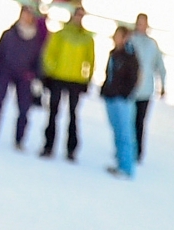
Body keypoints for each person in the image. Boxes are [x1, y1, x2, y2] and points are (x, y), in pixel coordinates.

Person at [0, 4, 46, 149]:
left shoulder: (36, 38)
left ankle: (19, 140)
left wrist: (37, 76)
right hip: (5, 72)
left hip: (24, 76)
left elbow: (38, 59)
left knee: (24, 109)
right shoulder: (10, 34)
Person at [37, 3, 95, 161]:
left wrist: (87, 79)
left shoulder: (87, 38)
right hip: (58, 77)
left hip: (76, 80)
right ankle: (48, 146)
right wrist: (49, 72)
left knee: (73, 115)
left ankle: (71, 149)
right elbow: (49, 53)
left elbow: (90, 60)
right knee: (53, 112)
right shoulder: (60, 34)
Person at [99, 24, 140, 179]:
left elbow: (133, 78)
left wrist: (124, 93)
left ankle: (126, 167)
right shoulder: (114, 54)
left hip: (122, 99)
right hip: (111, 97)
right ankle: (119, 162)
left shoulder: (130, 56)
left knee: (125, 133)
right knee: (117, 130)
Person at [128, 13, 166, 160]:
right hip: (130, 88)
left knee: (140, 121)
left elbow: (160, 66)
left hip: (145, 90)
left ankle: (138, 151)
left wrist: (162, 85)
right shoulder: (130, 40)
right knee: (128, 120)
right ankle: (126, 148)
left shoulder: (152, 44)